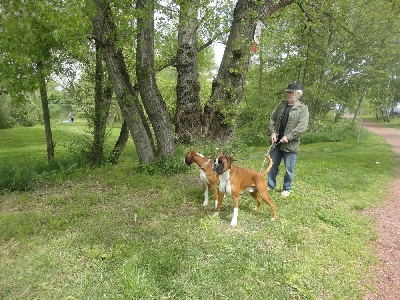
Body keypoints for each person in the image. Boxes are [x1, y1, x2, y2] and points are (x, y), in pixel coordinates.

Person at [267, 82, 309, 198]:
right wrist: (272, 132)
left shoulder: (303, 108)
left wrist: (289, 137)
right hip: (276, 143)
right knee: (272, 164)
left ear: (297, 94)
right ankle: (270, 185)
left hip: (291, 145)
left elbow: (302, 127)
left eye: (291, 92)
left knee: (289, 168)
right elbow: (272, 120)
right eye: (288, 92)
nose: (288, 94)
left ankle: (286, 188)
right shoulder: (280, 105)